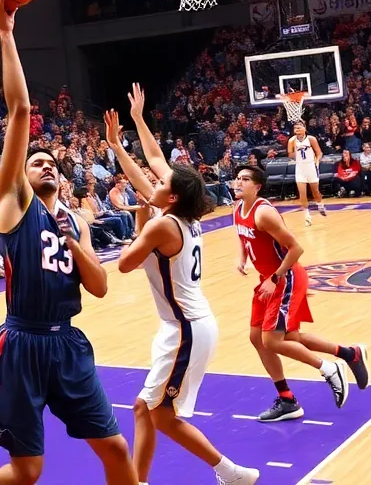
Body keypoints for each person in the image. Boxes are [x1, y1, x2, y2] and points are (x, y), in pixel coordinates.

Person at [0, 0, 135, 485]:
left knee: (115, 448)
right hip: (22, 342)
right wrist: (5, 33)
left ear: (61, 176)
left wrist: (75, 243)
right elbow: (20, 111)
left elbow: (100, 286)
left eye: (50, 162)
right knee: (27, 471)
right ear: (21, 176)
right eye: (34, 161)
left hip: (67, 342)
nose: (44, 164)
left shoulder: (76, 219)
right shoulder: (13, 206)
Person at [104, 89, 259, 485]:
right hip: (183, 325)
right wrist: (130, 131)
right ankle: (141, 480)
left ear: (170, 196)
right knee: (145, 409)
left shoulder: (161, 223)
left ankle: (231, 472)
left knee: (160, 415)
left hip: (187, 328)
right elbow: (153, 166)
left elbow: (124, 264)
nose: (155, 178)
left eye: (162, 183)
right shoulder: (181, 215)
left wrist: (140, 221)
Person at [232, 166, 369, 422]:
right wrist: (242, 259)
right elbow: (243, 238)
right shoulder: (237, 208)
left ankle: (329, 369)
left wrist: (275, 278)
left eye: (246, 179)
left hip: (286, 277)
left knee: (271, 340)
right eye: (238, 178)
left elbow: (296, 248)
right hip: (268, 280)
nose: (239, 182)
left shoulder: (263, 214)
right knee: (270, 337)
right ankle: (346, 357)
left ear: (257, 186)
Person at [286, 121, 325, 226]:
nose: (297, 130)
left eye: (299, 127)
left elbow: (319, 153)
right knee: (302, 194)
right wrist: (295, 149)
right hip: (300, 168)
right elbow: (290, 155)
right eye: (295, 128)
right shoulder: (292, 141)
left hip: (311, 167)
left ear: (304, 128)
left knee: (315, 192)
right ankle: (307, 217)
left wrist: (317, 162)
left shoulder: (311, 139)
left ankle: (320, 205)